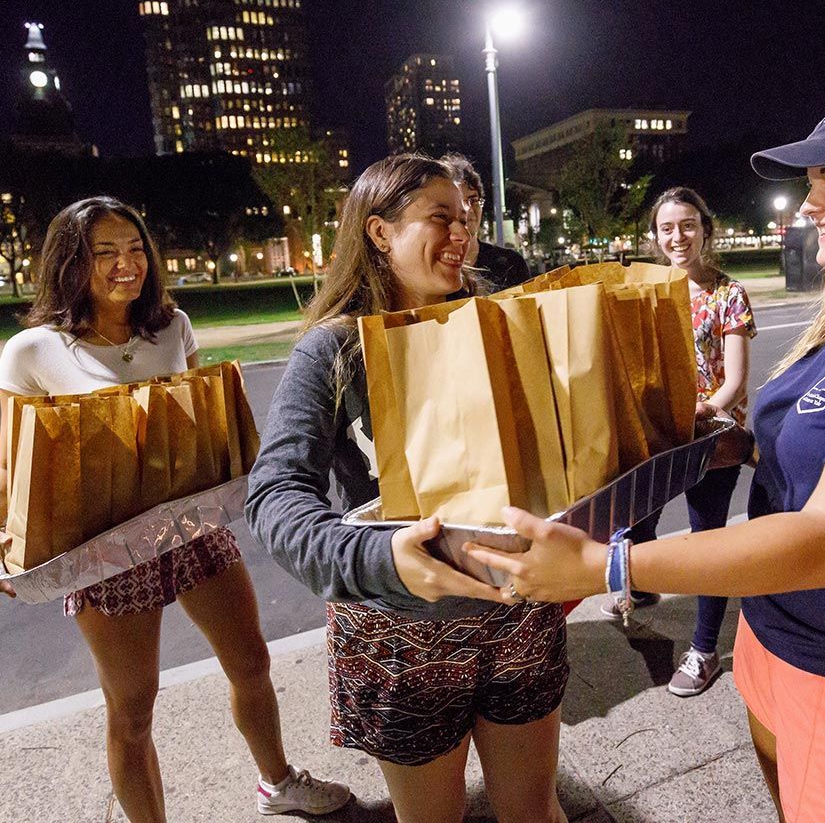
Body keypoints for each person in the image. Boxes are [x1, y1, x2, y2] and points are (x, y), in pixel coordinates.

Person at [466, 79, 825, 823]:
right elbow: (817, 450)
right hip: (783, 641)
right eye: (812, 181)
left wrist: (605, 566)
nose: (809, 204)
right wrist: (722, 445)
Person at [0, 197, 349, 823]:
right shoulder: (31, 351)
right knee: (132, 709)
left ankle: (277, 783)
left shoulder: (172, 327)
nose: (125, 265)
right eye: (103, 253)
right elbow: (9, 465)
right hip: (104, 551)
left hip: (189, 529)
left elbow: (197, 427)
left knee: (250, 660)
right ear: (69, 264)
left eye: (134, 249)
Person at [245, 155, 569, 823]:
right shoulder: (331, 351)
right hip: (401, 640)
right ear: (380, 233)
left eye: (468, 218)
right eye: (439, 218)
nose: (462, 234)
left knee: (533, 809)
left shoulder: (495, 322)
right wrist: (382, 558)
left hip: (518, 615)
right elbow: (275, 497)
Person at [606, 187, 755, 701]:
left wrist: (704, 409)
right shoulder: (646, 290)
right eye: (667, 228)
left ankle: (706, 648)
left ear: (705, 230)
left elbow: (734, 380)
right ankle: (644, 584)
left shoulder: (726, 293)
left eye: (688, 225)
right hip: (659, 435)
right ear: (655, 236)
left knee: (707, 538)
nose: (678, 237)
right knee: (637, 515)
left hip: (710, 439)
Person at [439, 153, 531, 291]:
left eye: (473, 200)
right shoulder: (435, 271)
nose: (468, 209)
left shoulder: (511, 263)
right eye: (458, 201)